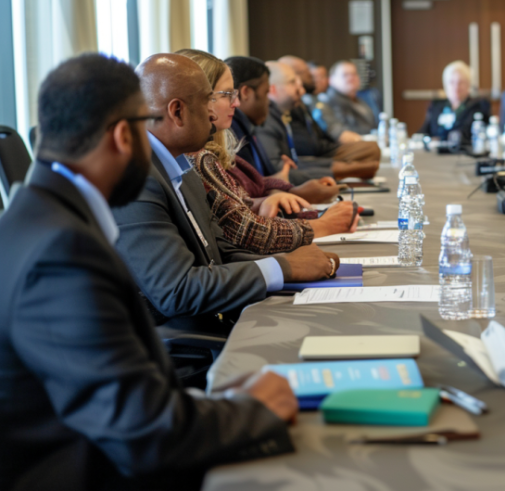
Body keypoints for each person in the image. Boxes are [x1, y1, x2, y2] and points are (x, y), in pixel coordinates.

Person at [0, 53, 296, 490]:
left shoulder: (36, 221)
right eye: (144, 128)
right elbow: (143, 433)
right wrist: (253, 410)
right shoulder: (62, 253)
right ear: (124, 136)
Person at [111, 53, 340, 337]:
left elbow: (219, 253)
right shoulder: (135, 179)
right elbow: (177, 291)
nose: (212, 113)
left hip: (214, 322)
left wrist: (295, 258)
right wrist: (284, 268)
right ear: (177, 111)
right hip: (175, 352)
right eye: (208, 101)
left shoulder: (181, 167)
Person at [176, 49, 358, 255]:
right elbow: (243, 231)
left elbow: (241, 202)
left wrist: (279, 195)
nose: (236, 103)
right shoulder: (196, 158)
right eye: (227, 95)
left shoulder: (211, 147)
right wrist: (322, 225)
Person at [223, 55, 341, 203]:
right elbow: (243, 199)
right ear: (246, 92)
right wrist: (295, 192)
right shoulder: (231, 132)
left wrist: (278, 181)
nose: (269, 102)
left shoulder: (245, 125)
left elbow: (256, 183)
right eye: (266, 93)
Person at [259, 60, 379, 180]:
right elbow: (278, 168)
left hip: (318, 153)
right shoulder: (267, 118)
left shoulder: (293, 107)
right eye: (293, 82)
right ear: (272, 89)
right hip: (310, 158)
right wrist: (344, 169)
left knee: (372, 149)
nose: (301, 89)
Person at [418, 60, 491, 141]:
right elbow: (423, 133)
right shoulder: (436, 106)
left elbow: (469, 134)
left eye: (461, 82)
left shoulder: (478, 106)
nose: (456, 87)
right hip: (434, 152)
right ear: (445, 85)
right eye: (451, 82)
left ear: (469, 85)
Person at [318, 60, 379, 137]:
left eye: (354, 74)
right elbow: (344, 133)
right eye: (345, 75)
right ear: (331, 80)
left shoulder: (363, 99)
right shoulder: (328, 103)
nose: (351, 78)